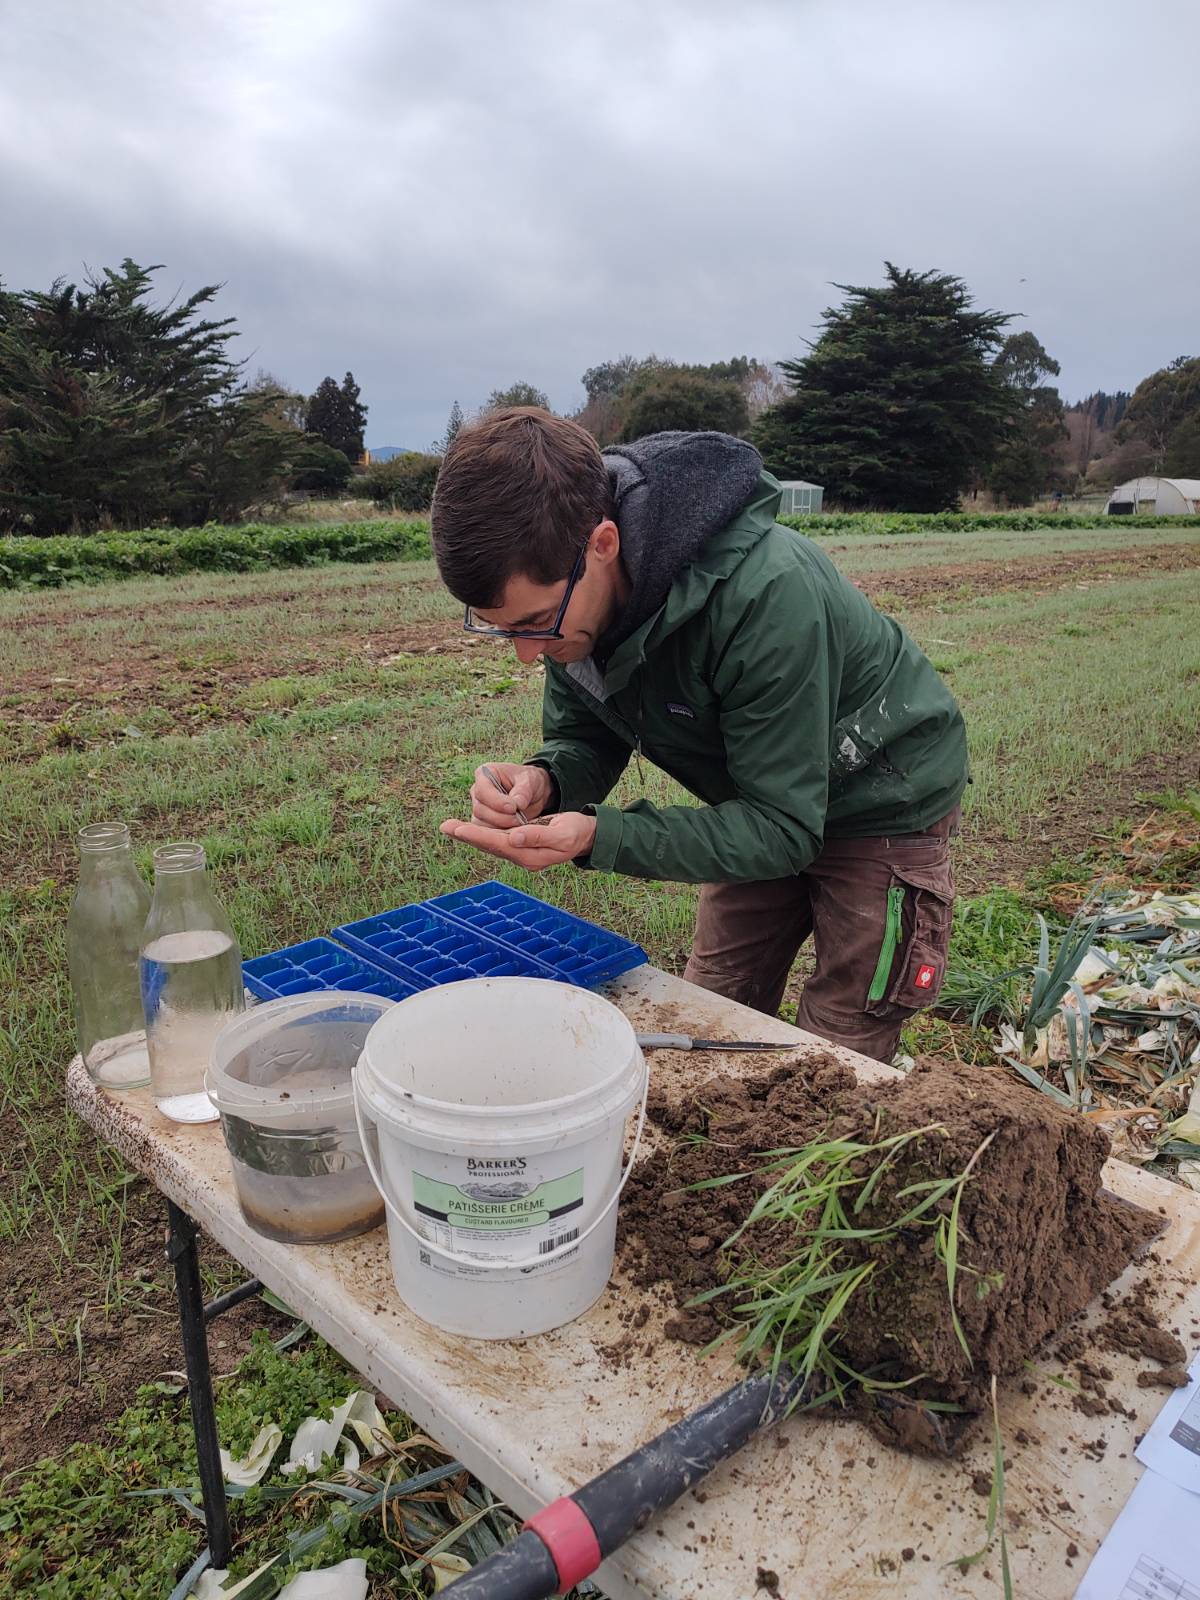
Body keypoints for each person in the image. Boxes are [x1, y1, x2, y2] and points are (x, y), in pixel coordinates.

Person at [431, 408, 968, 1063]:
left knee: (838, 1050)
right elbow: (588, 735)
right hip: (762, 799)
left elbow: (784, 830)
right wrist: (547, 779)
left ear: (603, 544)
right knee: (713, 1009)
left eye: (535, 623)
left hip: (882, 798)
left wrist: (601, 835)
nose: (526, 653)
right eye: (506, 629)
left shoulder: (766, 595)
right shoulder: (573, 610)